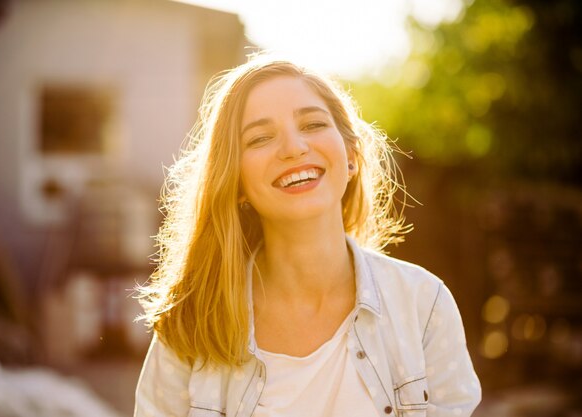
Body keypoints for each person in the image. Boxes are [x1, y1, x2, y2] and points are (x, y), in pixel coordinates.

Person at [134, 54, 481, 417]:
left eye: (313, 124)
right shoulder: (193, 322)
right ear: (235, 180)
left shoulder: (424, 304)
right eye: (261, 138)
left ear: (351, 155)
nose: (294, 148)